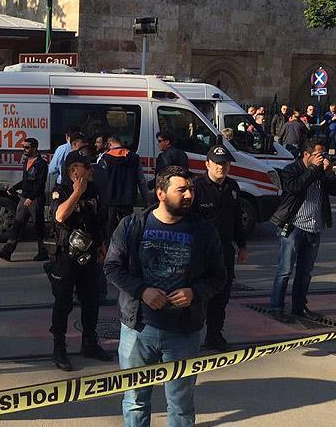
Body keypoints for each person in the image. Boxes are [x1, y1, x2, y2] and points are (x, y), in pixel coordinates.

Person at [104, 165, 226, 427]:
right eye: (181, 190)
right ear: (160, 193)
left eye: (190, 189)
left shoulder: (204, 230)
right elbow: (112, 267)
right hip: (139, 329)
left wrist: (194, 292)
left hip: (184, 332)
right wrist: (142, 291)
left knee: (181, 405)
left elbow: (219, 276)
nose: (189, 195)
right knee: (135, 400)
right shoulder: (132, 225)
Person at [45, 150, 111, 371]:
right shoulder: (60, 190)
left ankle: (89, 343)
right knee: (63, 303)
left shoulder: (93, 190)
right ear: (74, 171)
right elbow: (60, 216)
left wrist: (102, 244)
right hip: (66, 256)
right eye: (86, 167)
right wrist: (76, 193)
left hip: (89, 254)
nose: (91, 170)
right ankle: (59, 348)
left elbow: (98, 219)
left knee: (92, 300)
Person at [269, 138, 336, 319]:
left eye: (323, 154)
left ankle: (299, 307)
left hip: (314, 227)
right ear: (306, 154)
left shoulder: (321, 171)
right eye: (318, 154)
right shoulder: (292, 169)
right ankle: (276, 307)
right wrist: (313, 169)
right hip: (293, 226)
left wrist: (329, 173)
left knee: (305, 272)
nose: (321, 158)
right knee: (285, 270)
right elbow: (295, 187)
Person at [191, 145, 248, 351]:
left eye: (224, 164)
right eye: (216, 163)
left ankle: (214, 335)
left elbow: (237, 218)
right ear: (207, 164)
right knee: (200, 296)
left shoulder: (232, 187)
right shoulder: (196, 188)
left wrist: (242, 245)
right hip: (201, 253)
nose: (220, 167)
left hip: (224, 250)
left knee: (222, 295)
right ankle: (192, 337)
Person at [0, 138, 49, 262]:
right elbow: (26, 181)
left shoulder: (41, 164)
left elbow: (40, 184)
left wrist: (31, 198)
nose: (25, 150)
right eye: (23, 147)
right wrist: (14, 188)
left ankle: (43, 251)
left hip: (36, 199)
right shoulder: (26, 161)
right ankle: (7, 251)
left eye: (27, 147)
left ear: (34, 148)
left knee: (38, 226)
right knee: (18, 224)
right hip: (25, 198)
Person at [94, 136, 149, 239]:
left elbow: (100, 182)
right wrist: (147, 201)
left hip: (110, 200)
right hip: (128, 200)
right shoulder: (134, 157)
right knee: (127, 228)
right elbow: (141, 181)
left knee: (111, 229)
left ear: (109, 144)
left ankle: (111, 246)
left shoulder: (105, 159)